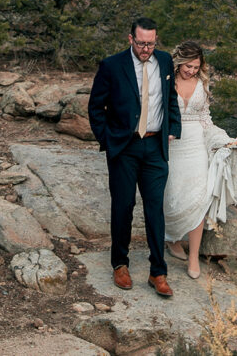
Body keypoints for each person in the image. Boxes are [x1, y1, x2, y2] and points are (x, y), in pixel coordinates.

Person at [88, 17, 182, 298]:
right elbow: (95, 107)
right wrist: (108, 139)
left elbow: (171, 98)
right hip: (124, 148)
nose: (146, 49)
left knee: (155, 209)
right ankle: (120, 264)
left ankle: (158, 271)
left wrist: (172, 128)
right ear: (130, 39)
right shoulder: (111, 65)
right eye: (141, 43)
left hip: (155, 148)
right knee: (123, 206)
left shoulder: (165, 62)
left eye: (151, 44)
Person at [162, 41, 237, 279]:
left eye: (196, 67)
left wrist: (220, 139)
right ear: (179, 62)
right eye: (188, 66)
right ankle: (172, 239)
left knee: (199, 197)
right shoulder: (166, 80)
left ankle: (194, 256)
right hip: (172, 144)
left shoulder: (202, 83)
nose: (191, 71)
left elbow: (205, 117)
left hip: (196, 144)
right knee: (173, 197)